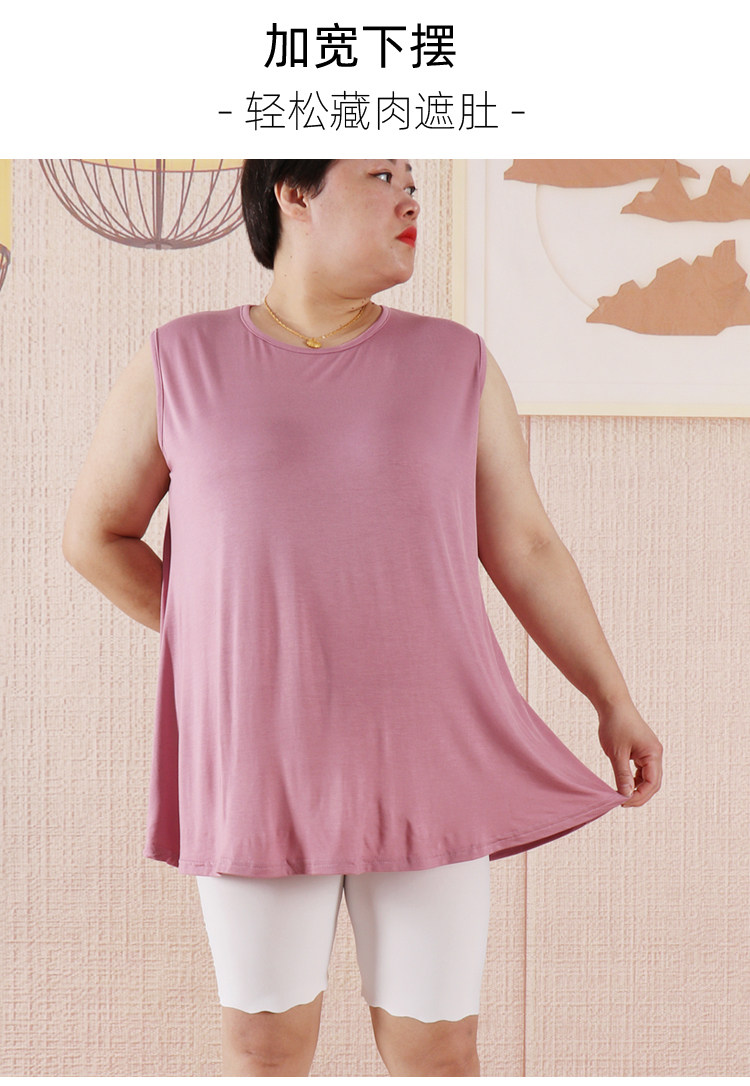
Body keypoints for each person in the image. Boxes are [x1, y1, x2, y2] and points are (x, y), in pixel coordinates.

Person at [62, 159, 663, 1077]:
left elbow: (527, 547)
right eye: (382, 175)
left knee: (437, 1048)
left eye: (414, 179)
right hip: (258, 756)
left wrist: (612, 699)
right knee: (266, 1048)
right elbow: (96, 537)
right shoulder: (180, 359)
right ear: (292, 193)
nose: (411, 197)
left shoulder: (455, 361)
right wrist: (226, 643)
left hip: (429, 749)